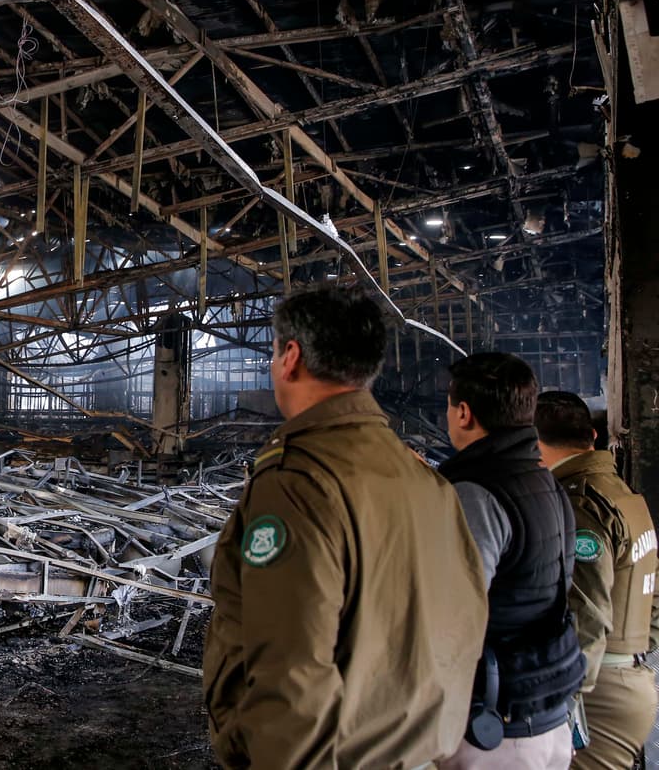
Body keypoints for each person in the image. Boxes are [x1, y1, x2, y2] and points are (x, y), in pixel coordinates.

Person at [203, 286, 488, 768]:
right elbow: (466, 622)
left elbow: (292, 673)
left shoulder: (299, 481)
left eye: (275, 352)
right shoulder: (425, 479)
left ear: (290, 357)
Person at [437, 354, 585, 770]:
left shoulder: (476, 494)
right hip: (547, 709)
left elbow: (449, 619)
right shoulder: (546, 483)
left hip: (498, 731)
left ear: (464, 413)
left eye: (449, 405)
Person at [535, 391, 659, 770]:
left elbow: (585, 611)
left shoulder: (580, 503)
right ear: (592, 436)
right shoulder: (625, 497)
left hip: (596, 691)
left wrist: (566, 703)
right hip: (627, 675)